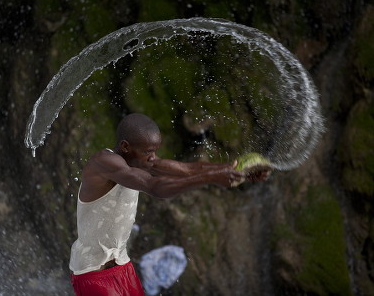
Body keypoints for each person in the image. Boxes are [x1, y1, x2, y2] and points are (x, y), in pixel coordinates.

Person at [69, 113, 270, 296]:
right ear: (125, 147)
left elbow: (188, 169)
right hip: (93, 273)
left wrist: (235, 171)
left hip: (123, 267)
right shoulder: (104, 162)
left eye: (155, 151)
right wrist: (212, 177)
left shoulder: (139, 160)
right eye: (148, 152)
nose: (153, 158)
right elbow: (153, 185)